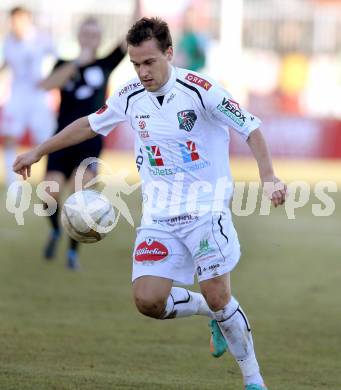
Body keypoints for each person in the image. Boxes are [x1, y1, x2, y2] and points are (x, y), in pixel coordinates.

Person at [13, 17, 287, 389]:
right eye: (136, 64)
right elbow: (88, 125)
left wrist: (268, 176)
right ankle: (213, 312)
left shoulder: (201, 90)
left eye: (149, 62)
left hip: (205, 208)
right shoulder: (129, 96)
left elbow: (251, 128)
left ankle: (253, 379)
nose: (142, 72)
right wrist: (38, 151)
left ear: (169, 54)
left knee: (219, 293)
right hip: (159, 214)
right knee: (148, 301)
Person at [38, 2, 140, 269]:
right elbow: (48, 85)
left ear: (99, 38)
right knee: (49, 194)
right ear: (79, 36)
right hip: (61, 138)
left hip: (89, 140)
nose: (90, 38)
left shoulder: (106, 62)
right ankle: (56, 230)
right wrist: (76, 63)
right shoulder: (64, 63)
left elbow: (133, 32)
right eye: (86, 33)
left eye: (95, 34)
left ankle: (73, 252)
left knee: (82, 196)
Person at [0, 6, 55, 188]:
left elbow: (56, 59)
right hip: (16, 95)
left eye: (20, 19)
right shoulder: (9, 41)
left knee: (48, 140)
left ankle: (51, 179)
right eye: (14, 20)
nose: (16, 24)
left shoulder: (41, 39)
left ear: (28, 20)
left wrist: (49, 81)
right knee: (9, 137)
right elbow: (7, 64)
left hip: (38, 96)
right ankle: (12, 183)